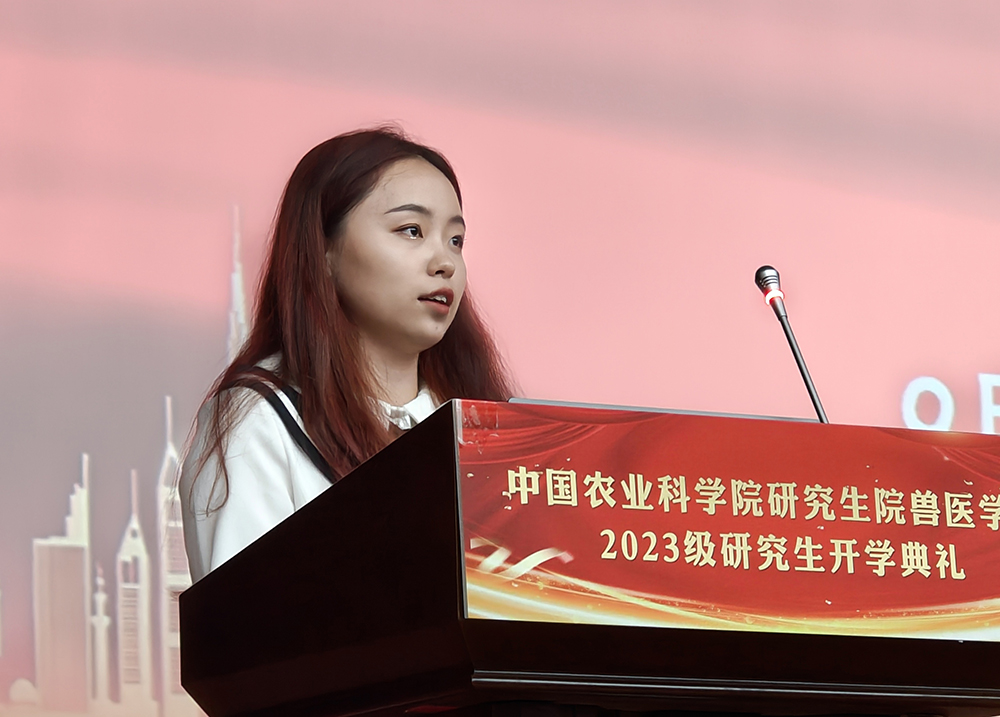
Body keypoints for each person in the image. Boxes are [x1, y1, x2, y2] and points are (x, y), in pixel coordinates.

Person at [179, 127, 514, 581]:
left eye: (456, 240)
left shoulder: (485, 428)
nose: (445, 263)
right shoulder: (259, 423)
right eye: (411, 231)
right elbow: (250, 619)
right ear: (324, 249)